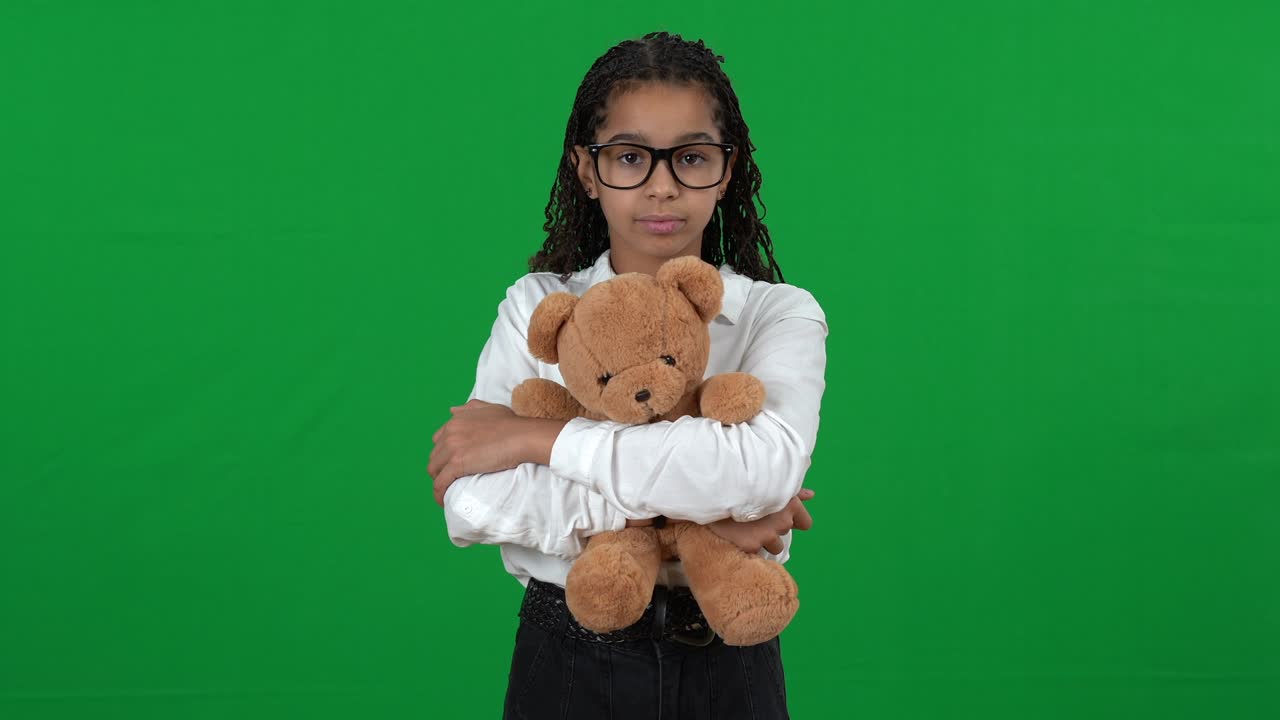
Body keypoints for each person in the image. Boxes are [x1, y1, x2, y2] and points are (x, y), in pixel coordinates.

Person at [427, 31, 828, 720]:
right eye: (631, 157)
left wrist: (538, 442)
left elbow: (763, 470)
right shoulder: (535, 307)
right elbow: (471, 500)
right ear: (588, 170)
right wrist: (697, 514)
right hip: (570, 657)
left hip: (730, 660)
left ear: (726, 170)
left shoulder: (778, 313)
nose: (662, 186)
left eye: (692, 157)